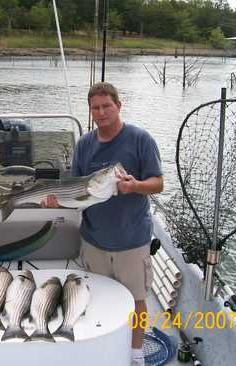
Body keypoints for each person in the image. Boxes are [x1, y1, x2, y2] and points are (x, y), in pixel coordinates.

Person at [42, 82, 163, 366]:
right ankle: (100, 345)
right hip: (94, 240)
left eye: (107, 106)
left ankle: (135, 353)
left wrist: (135, 187)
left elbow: (158, 183)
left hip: (131, 240)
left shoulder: (140, 139)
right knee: (95, 298)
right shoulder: (85, 144)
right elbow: (76, 190)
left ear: (118, 106)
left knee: (137, 300)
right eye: (95, 108)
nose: (101, 112)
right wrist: (58, 201)